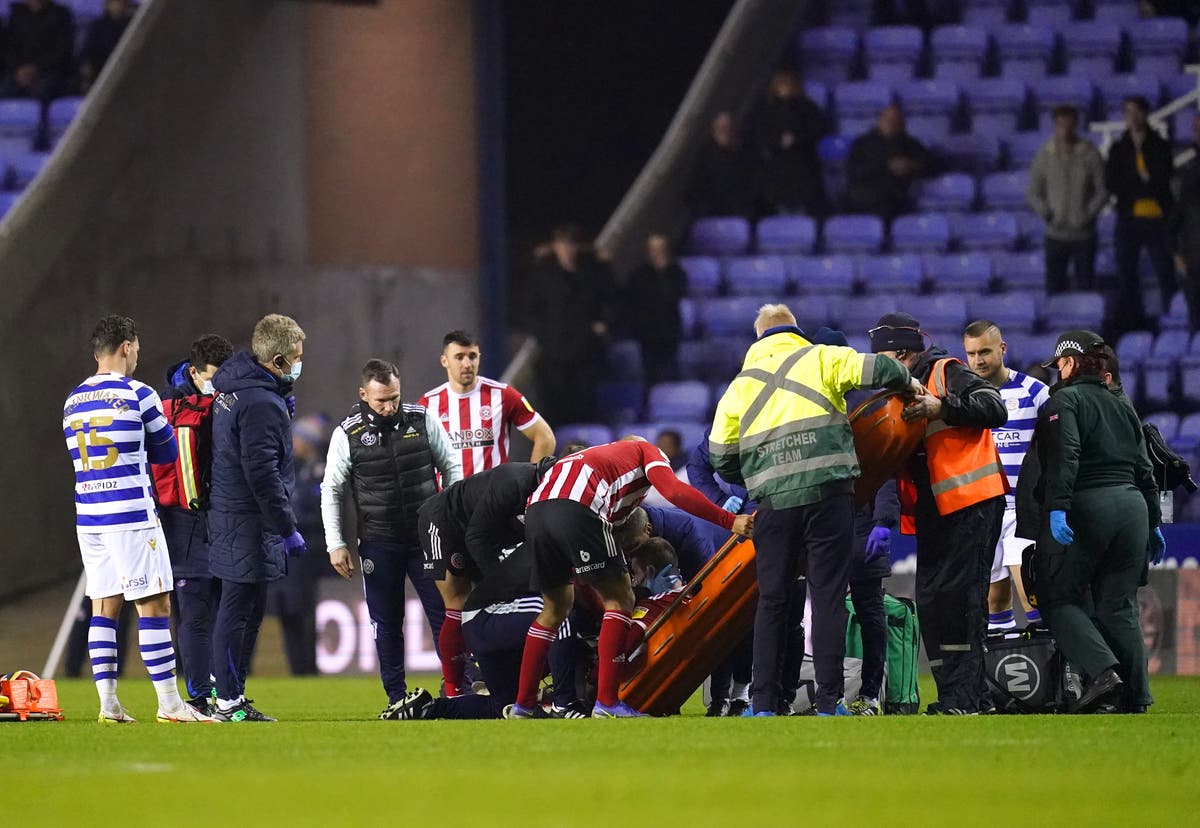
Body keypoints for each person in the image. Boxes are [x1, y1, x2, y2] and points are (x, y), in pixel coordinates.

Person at [710, 304, 919, 717]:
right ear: (795, 330)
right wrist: (909, 382)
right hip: (829, 498)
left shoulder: (740, 385)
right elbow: (884, 371)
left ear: (759, 339)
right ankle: (829, 702)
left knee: (771, 602)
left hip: (773, 505)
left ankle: (764, 703)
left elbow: (719, 455)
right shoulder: (822, 357)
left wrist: (757, 475)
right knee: (827, 598)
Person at [507, 438, 754, 719]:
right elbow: (674, 491)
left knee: (554, 608)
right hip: (577, 508)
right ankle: (608, 703)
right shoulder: (644, 450)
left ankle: (523, 705)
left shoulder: (591, 460)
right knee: (621, 597)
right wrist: (727, 519)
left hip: (536, 513)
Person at [63, 314, 213, 723]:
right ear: (127, 347)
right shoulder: (139, 394)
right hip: (130, 514)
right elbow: (167, 453)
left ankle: (108, 704)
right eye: (137, 349)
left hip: (89, 516)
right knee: (155, 604)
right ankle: (170, 704)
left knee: (103, 607)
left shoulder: (73, 401)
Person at [871, 312, 1008, 715]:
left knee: (962, 601)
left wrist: (941, 406)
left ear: (901, 353)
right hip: (937, 509)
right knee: (934, 601)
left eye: (881, 359)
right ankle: (958, 695)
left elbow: (994, 407)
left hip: (973, 501)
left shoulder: (946, 372)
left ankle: (964, 699)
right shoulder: (897, 391)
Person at [321, 358, 462, 718]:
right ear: (363, 394)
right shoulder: (347, 434)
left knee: (445, 615)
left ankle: (455, 688)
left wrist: (453, 521)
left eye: (395, 398)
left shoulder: (422, 418)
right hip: (379, 541)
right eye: (382, 400)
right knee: (386, 622)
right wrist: (335, 543)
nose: (390, 407)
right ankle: (396, 696)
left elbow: (452, 468)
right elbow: (331, 490)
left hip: (427, 538)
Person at [1036, 331, 1163, 713]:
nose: (1057, 372)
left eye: (1059, 365)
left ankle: (1104, 674)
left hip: (1088, 506)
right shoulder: (1121, 401)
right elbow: (1145, 465)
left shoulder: (1064, 401)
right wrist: (1154, 520)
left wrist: (1057, 506)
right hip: (1132, 507)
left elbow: (1066, 457)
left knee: (1059, 599)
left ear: (1071, 363)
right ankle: (1137, 697)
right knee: (1118, 605)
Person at [208, 313, 308, 723]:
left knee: (243, 609)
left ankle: (229, 696)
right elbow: (262, 473)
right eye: (297, 358)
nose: (301, 365)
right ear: (278, 360)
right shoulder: (261, 402)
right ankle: (228, 702)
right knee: (239, 610)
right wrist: (287, 528)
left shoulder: (235, 389)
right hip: (249, 522)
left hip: (231, 515)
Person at [387, 542, 586, 720]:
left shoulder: (546, 539)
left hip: (485, 623)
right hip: (489, 615)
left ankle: (429, 708)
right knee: (560, 616)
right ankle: (565, 704)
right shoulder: (567, 546)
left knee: (501, 705)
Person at [416, 457, 556, 697]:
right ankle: (453, 690)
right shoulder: (514, 482)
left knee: (489, 605)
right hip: (444, 523)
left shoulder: (550, 494)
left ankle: (494, 679)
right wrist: (501, 584)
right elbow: (476, 538)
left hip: (482, 535)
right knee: (458, 604)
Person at [150, 333, 233, 714]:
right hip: (182, 517)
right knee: (195, 610)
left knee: (223, 610)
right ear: (195, 372)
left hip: (222, 515)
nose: (221, 385)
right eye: (215, 377)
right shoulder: (167, 405)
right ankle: (200, 695)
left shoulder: (223, 400)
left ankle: (226, 693)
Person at [962, 320, 1049, 631]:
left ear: (1002, 349)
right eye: (971, 354)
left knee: (1033, 595)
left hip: (1021, 510)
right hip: (983, 510)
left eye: (985, 351)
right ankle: (1009, 675)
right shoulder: (965, 397)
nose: (978, 360)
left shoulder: (1036, 393)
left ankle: (1053, 674)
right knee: (994, 599)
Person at [419, 329, 555, 475]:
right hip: (449, 496)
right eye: (459, 357)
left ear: (479, 358)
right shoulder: (428, 404)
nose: (467, 364)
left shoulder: (503, 395)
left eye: (472, 356)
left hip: (494, 496)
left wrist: (532, 481)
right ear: (444, 361)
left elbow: (545, 438)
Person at [523, 224, 616, 426]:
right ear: (555, 247)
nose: (567, 249)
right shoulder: (544, 274)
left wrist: (600, 327)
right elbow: (531, 310)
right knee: (554, 409)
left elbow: (609, 297)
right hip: (555, 352)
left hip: (585, 350)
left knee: (585, 406)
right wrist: (545, 336)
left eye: (571, 244)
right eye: (562, 244)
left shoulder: (590, 273)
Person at [1105, 96, 1176, 332]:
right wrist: (1140, 183)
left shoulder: (1160, 145)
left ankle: (1172, 318)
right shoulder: (1118, 148)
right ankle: (1133, 322)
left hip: (1157, 219)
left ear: (1146, 114)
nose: (1132, 117)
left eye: (1136, 111)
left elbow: (1161, 180)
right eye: (1127, 112)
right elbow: (1113, 183)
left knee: (1165, 270)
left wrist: (1138, 184)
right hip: (1129, 219)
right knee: (1127, 273)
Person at [267, 414, 328, 676]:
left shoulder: (318, 472)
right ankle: (297, 669)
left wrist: (290, 523)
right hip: (285, 556)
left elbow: (318, 512)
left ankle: (309, 669)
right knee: (287, 614)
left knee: (303, 614)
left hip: (306, 556)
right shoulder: (290, 469)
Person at [1026, 105, 1108, 294]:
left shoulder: (1090, 153)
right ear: (1055, 125)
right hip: (1055, 235)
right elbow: (1033, 192)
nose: (1065, 129)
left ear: (1075, 125)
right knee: (1054, 288)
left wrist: (1086, 215)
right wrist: (1046, 213)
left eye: (1069, 124)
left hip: (1084, 235)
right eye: (1061, 124)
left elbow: (1103, 190)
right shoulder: (1045, 155)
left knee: (1085, 286)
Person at [753, 67, 830, 216]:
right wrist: (779, 142)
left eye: (789, 83)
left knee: (804, 214)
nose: (786, 87)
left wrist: (797, 138)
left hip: (804, 165)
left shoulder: (808, 107)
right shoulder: (765, 110)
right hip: (778, 169)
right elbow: (761, 135)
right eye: (782, 83)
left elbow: (819, 129)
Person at [622, 234, 687, 386]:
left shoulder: (676, 272)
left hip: (669, 331)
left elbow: (675, 294)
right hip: (646, 333)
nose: (656, 252)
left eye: (660, 249)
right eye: (653, 249)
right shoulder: (638, 275)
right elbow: (632, 301)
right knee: (649, 376)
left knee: (670, 374)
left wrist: (664, 271)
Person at [845, 104, 929, 221]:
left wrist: (910, 165)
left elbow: (930, 163)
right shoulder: (862, 143)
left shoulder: (909, 144)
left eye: (897, 121)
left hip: (891, 201)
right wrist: (886, 166)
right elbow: (853, 172)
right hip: (860, 197)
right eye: (888, 120)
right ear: (879, 121)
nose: (892, 123)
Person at [686, 111, 761, 218]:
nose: (726, 133)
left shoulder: (747, 149)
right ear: (713, 132)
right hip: (718, 214)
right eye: (721, 130)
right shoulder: (706, 158)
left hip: (748, 208)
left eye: (729, 129)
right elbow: (693, 193)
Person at [1, 0, 75, 102]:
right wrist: (18, 69)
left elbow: (62, 50)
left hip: (48, 71)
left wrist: (36, 68)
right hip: (18, 71)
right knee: (5, 89)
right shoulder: (17, 13)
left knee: (40, 91)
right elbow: (9, 47)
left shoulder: (61, 14)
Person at [1170, 112, 1200, 332]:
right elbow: (1178, 214)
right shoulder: (1190, 170)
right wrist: (1176, 252)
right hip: (1194, 257)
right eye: (1197, 129)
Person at [79, 0, 133, 92]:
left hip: (125, 70)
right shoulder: (97, 26)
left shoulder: (132, 27)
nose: (117, 6)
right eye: (114, 2)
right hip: (100, 70)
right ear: (107, 5)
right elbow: (87, 50)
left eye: (120, 3)